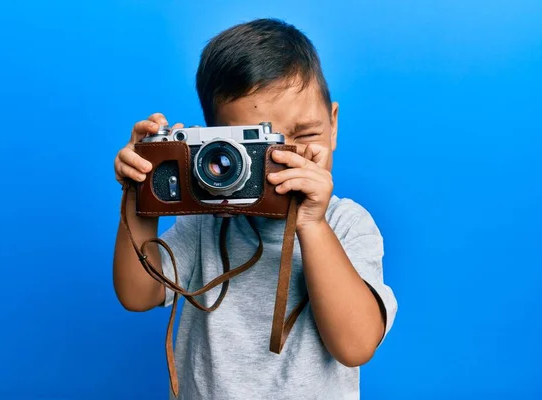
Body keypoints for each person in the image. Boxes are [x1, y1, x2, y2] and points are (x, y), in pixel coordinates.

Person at [112, 18, 397, 400]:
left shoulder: (347, 223)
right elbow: (137, 294)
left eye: (306, 135)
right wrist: (140, 194)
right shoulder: (205, 222)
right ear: (217, 144)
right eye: (257, 146)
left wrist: (312, 225)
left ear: (333, 124)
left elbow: (355, 346)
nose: (284, 157)